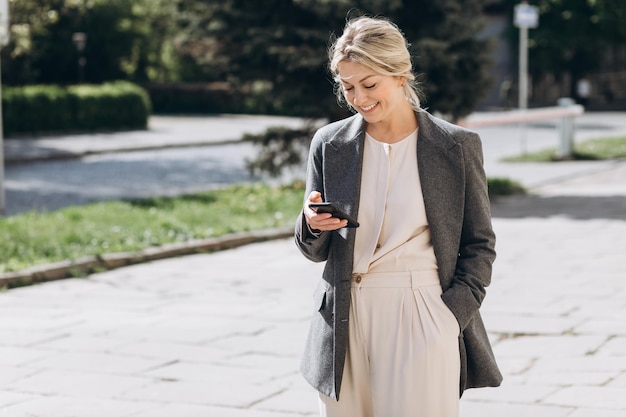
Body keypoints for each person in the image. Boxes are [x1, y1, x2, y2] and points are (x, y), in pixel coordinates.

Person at [294, 15, 502, 417]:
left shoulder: (455, 146)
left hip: (423, 310)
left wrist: (451, 314)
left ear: (401, 74)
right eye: (348, 86)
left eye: (369, 84)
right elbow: (313, 249)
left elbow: (479, 243)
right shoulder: (329, 143)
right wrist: (310, 224)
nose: (358, 97)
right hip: (343, 315)